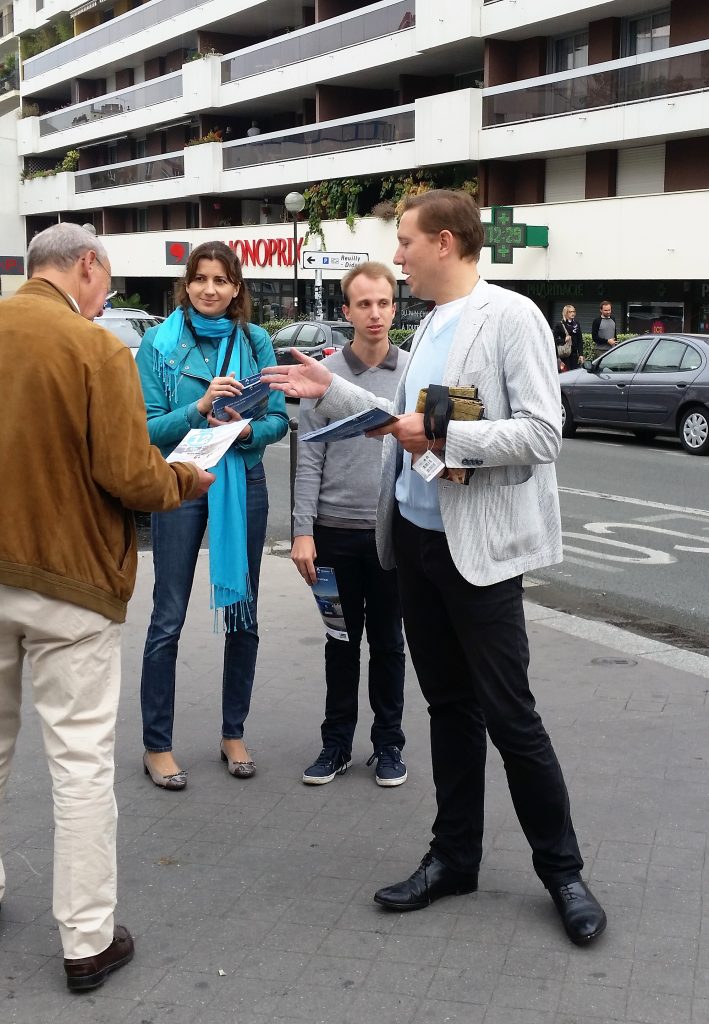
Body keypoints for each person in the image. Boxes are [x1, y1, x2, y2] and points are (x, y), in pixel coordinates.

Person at [262, 190, 607, 947]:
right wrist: (332, 388)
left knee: (511, 718)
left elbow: (543, 434)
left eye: (408, 242)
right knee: (448, 710)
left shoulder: (508, 316)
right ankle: (454, 858)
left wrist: (445, 438)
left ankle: (562, 871)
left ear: (445, 243)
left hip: (476, 554)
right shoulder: (431, 326)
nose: (402, 254)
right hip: (415, 543)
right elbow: (407, 422)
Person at [0, 223, 214, 990]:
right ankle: (87, 941)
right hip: (71, 583)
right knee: (81, 765)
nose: (105, 299)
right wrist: (185, 481)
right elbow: (129, 475)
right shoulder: (95, 349)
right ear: (86, 266)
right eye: (107, 284)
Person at [136, 241, 288, 789]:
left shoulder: (256, 341)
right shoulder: (159, 344)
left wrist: (247, 428)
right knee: (168, 616)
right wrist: (200, 409)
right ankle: (157, 744)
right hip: (179, 483)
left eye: (221, 280)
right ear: (187, 284)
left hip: (241, 481)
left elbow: (278, 421)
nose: (210, 289)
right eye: (201, 279)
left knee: (243, 613)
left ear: (237, 288)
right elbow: (147, 430)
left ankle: (232, 733)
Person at [292, 262, 409, 787]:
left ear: (394, 306)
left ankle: (388, 746)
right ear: (347, 312)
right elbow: (308, 458)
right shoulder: (323, 375)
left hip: (390, 535)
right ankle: (336, 744)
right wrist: (302, 531)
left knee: (388, 645)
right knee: (340, 643)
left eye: (383, 302)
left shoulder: (411, 372)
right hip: (335, 534)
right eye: (364, 304)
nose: (376, 313)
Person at [553, 304, 584, 371]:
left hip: (574, 354)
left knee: (574, 372)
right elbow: (554, 340)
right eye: (570, 312)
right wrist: (564, 340)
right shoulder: (560, 324)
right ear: (565, 313)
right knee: (565, 373)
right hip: (565, 354)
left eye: (574, 311)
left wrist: (581, 354)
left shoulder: (576, 324)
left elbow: (580, 339)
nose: (572, 313)